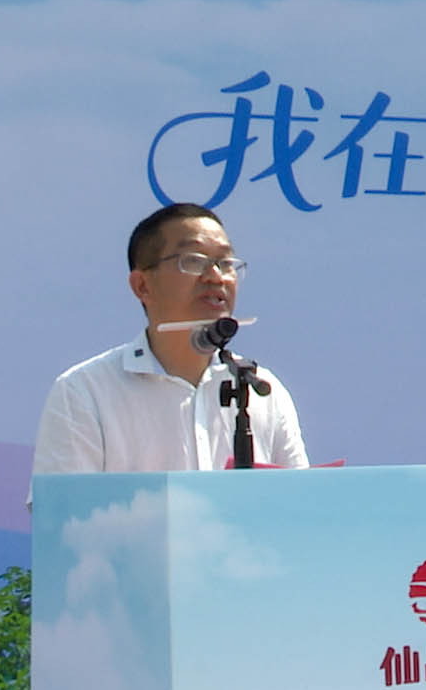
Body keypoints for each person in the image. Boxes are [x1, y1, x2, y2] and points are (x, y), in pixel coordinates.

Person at [31, 203, 308, 487]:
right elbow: (63, 511)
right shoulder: (86, 392)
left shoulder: (262, 390)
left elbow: (301, 501)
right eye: (194, 261)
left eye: (226, 263)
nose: (216, 276)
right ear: (142, 286)